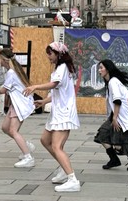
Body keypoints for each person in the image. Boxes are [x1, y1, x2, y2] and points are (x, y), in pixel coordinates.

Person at [23, 42, 81, 193]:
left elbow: (54, 84)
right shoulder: (61, 68)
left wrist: (34, 87)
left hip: (63, 113)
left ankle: (72, 179)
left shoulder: (62, 68)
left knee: (56, 146)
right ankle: (64, 169)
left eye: (50, 53)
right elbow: (57, 91)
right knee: (45, 140)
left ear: (58, 54)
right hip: (58, 112)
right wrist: (44, 101)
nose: (48, 56)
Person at [0, 48, 36, 168]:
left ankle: (28, 157)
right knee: (5, 128)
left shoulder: (11, 72)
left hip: (20, 104)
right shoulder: (13, 70)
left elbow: (4, 89)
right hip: (16, 104)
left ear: (4, 59)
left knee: (13, 131)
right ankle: (26, 146)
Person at [94, 59, 128, 172]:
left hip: (123, 115)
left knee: (123, 143)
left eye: (101, 68)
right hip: (117, 113)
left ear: (108, 69)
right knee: (102, 134)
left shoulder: (113, 82)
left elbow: (117, 101)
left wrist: (115, 118)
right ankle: (114, 159)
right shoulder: (110, 82)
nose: (99, 70)